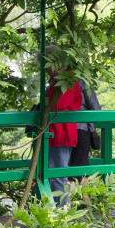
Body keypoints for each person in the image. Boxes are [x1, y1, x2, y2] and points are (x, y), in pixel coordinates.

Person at [43, 46, 82, 205]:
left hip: (61, 134)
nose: (45, 70)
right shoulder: (57, 81)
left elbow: (57, 104)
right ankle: (53, 213)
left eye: (47, 65)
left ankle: (62, 215)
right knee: (49, 175)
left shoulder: (68, 80)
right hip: (52, 133)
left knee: (58, 176)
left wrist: (44, 103)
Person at [68, 77, 102, 184]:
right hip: (80, 129)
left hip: (63, 130)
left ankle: (70, 198)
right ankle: (81, 198)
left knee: (65, 168)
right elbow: (96, 108)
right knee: (81, 169)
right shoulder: (82, 81)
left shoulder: (59, 79)